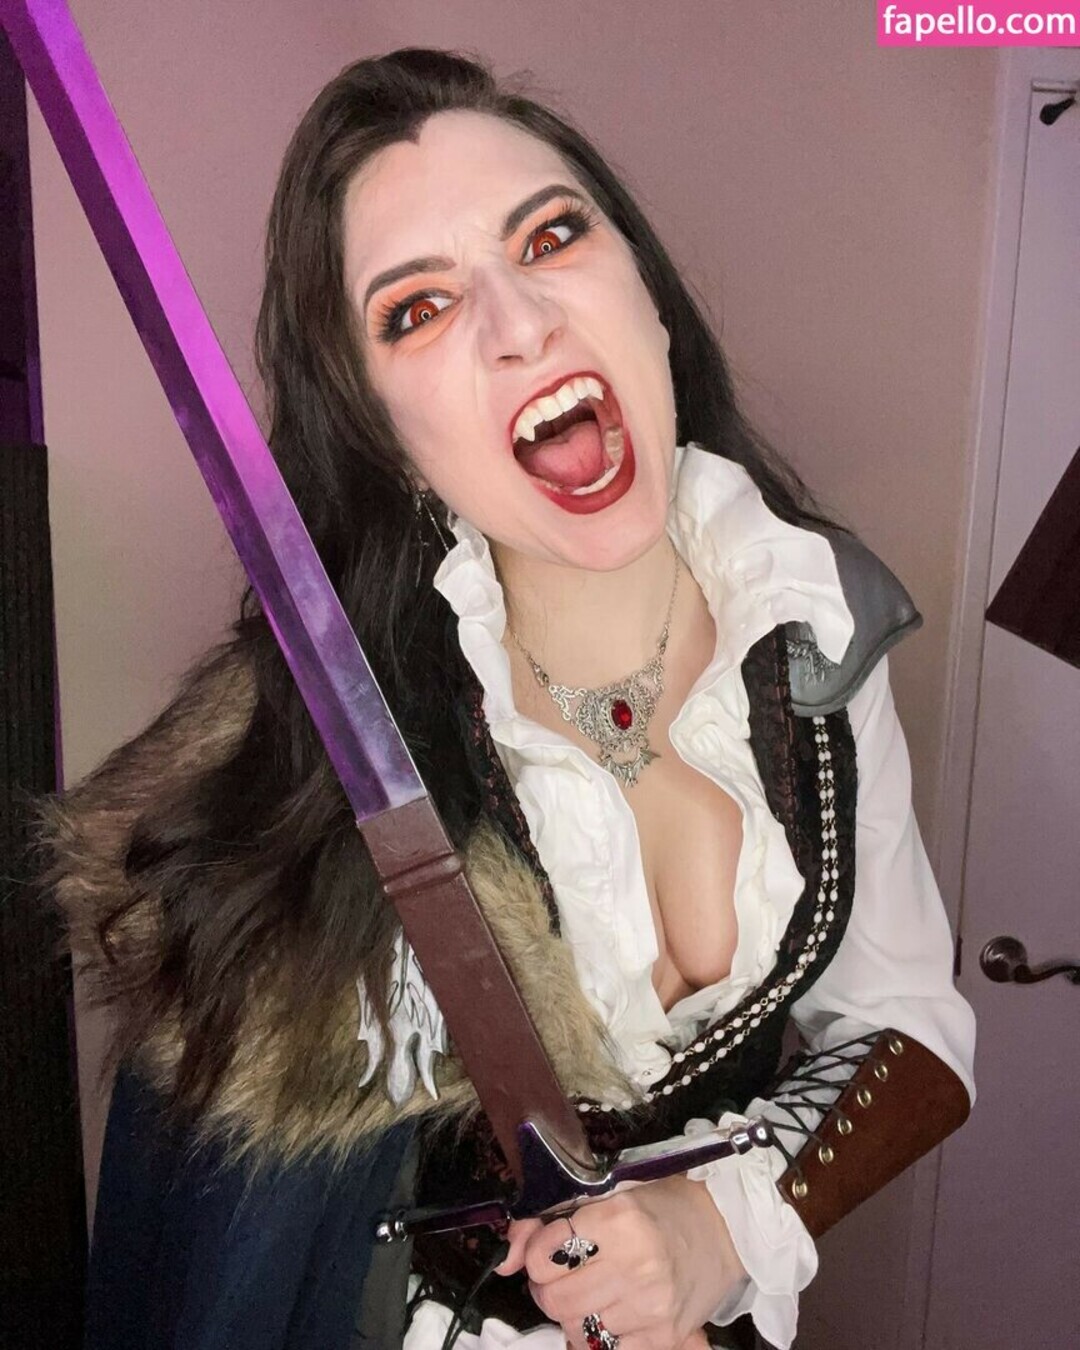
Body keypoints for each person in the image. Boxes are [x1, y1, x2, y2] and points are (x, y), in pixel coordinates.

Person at [42, 48, 976, 1350]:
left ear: (647, 300)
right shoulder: (308, 761)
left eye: (549, 236)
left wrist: (717, 1232)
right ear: (384, 436)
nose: (521, 322)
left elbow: (907, 1025)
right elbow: (229, 1249)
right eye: (418, 308)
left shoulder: (808, 627)